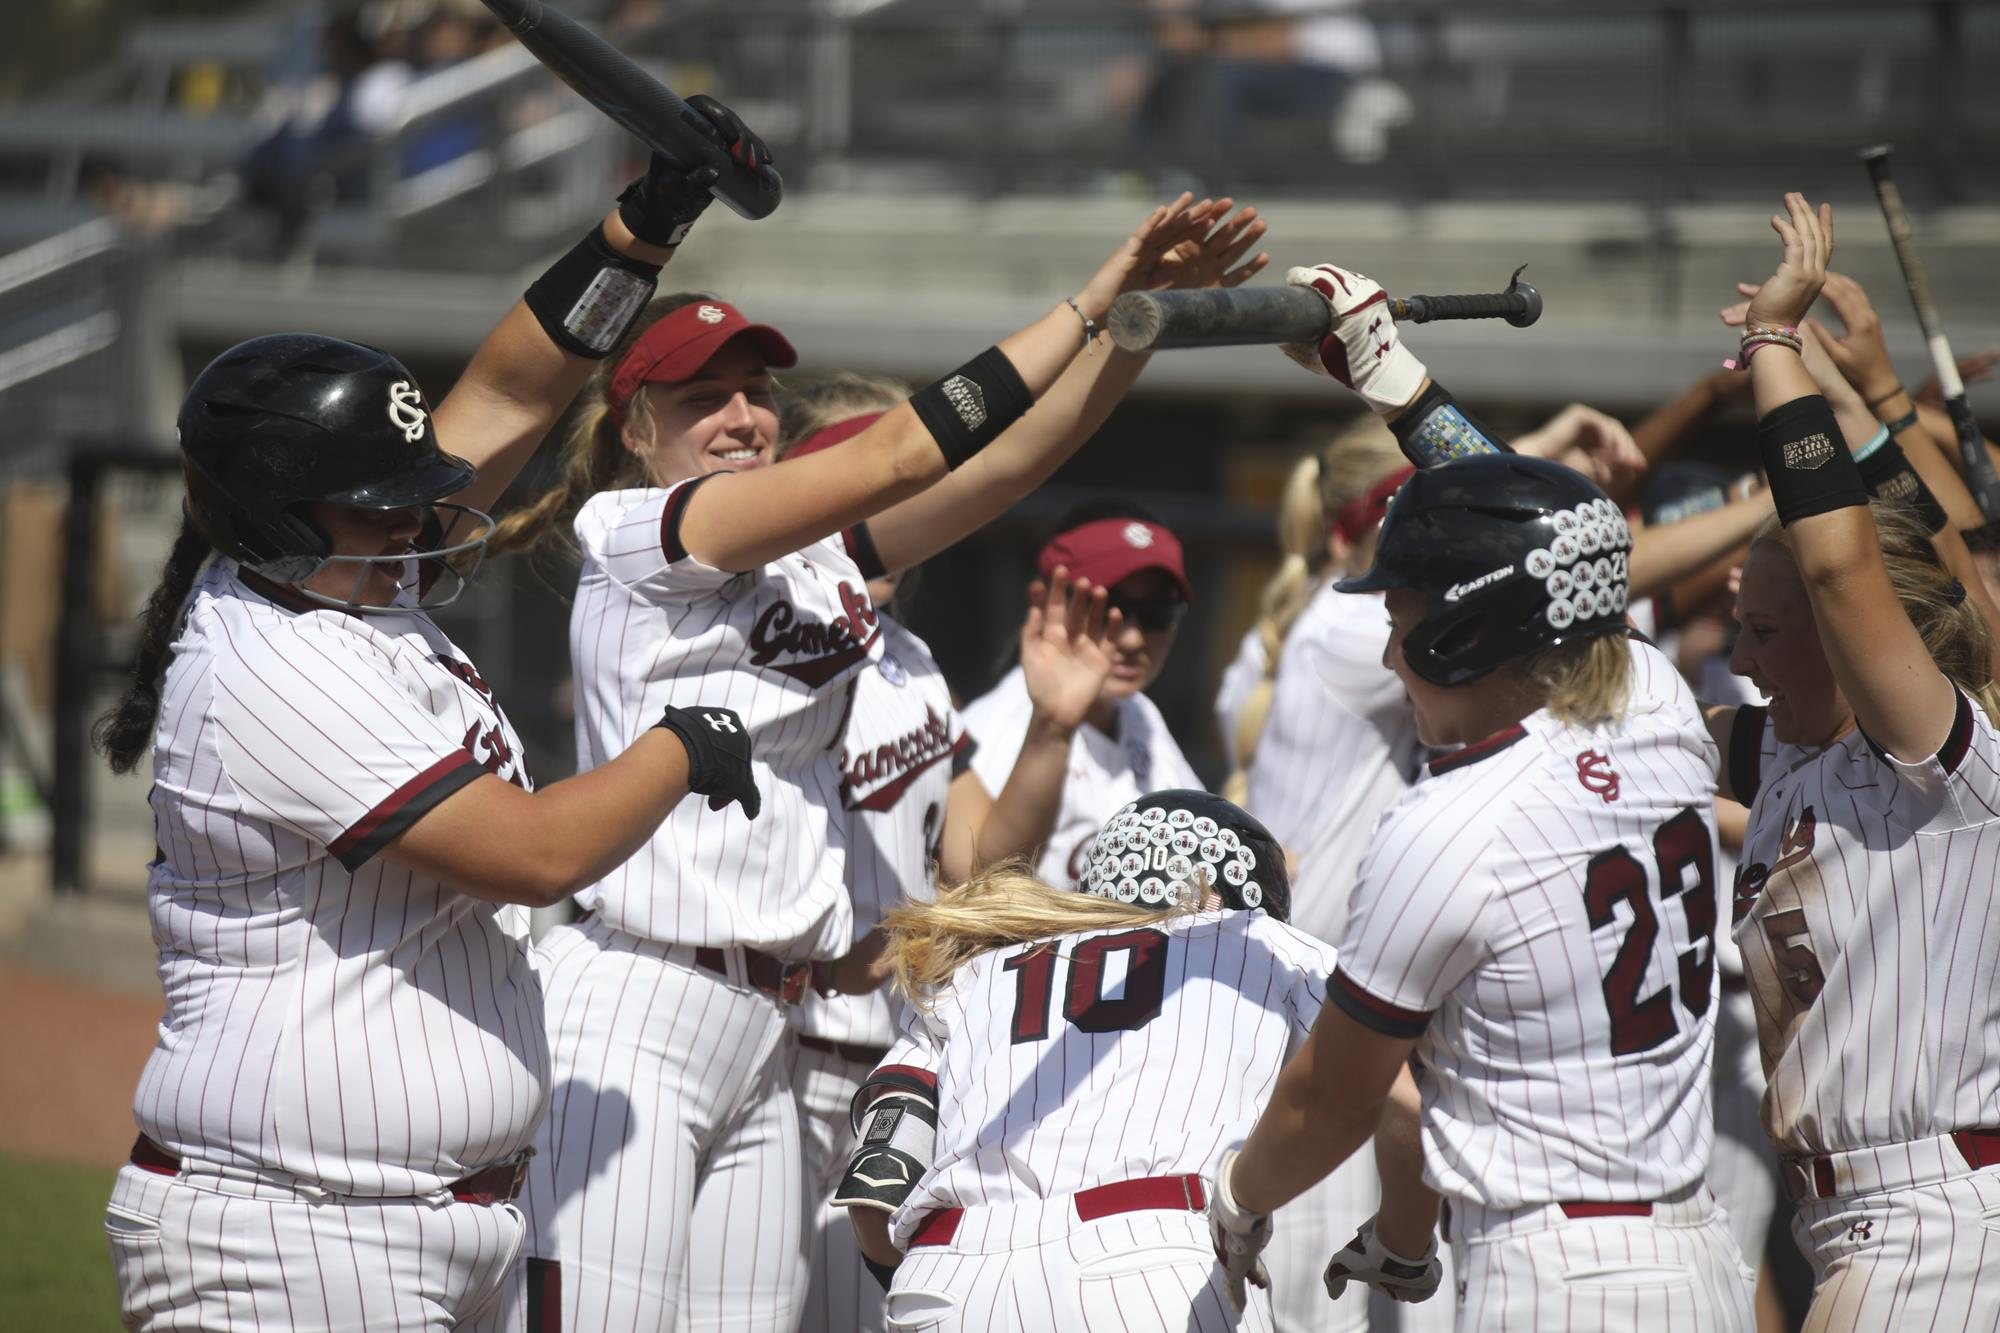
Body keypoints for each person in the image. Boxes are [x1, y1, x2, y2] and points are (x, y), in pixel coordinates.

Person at [492, 191, 1266, 1331]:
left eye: (755, 391)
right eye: (703, 398)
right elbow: (908, 449)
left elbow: (995, 474)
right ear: (633, 428)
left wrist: (1139, 326)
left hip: (764, 1026)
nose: (743, 415)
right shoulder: (630, 532)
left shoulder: (816, 568)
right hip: (635, 993)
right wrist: (1095, 293)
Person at [96, 110, 767, 1329]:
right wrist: (680, 746)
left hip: (398, 1226)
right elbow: (535, 856)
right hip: (289, 1237)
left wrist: (648, 221)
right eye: (378, 506)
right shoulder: (273, 660)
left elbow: (513, 384)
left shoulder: (332, 567)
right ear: (272, 510)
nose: (413, 522)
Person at [1208, 260, 1754, 1331]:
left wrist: (1232, 1203)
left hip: (1553, 1274)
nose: (1388, 638)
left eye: (1402, 611)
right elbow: (1558, 549)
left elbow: (1330, 1099)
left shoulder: (1445, 823)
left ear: (1463, 629)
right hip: (1696, 1257)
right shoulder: (1652, 699)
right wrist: (1388, 374)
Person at [770, 391, 1130, 1333]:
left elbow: (978, 873)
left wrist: (1054, 726)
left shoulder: (912, 660)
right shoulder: (751, 640)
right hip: (769, 1047)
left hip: (885, 1060)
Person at [1712, 195, 2000, 1326]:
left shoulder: (1941, 759)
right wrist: (1404, 393)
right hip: (1852, 1217)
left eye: (1763, 631)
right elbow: (1576, 660)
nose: (1737, 655)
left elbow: (1840, 567)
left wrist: (1775, 352)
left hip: (1938, 1215)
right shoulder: (1784, 748)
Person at [836, 790, 1418, 1332]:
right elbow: (1403, 1099)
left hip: (948, 1269)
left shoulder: (975, 973)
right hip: (1148, 1256)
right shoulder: (1258, 937)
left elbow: (876, 1189)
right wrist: (1404, 1241)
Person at [962, 499, 1206, 888]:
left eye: (1159, 611)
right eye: (1107, 608)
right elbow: (971, 897)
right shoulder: (992, 728)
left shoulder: (1140, 713)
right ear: (1048, 603)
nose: (1132, 637)